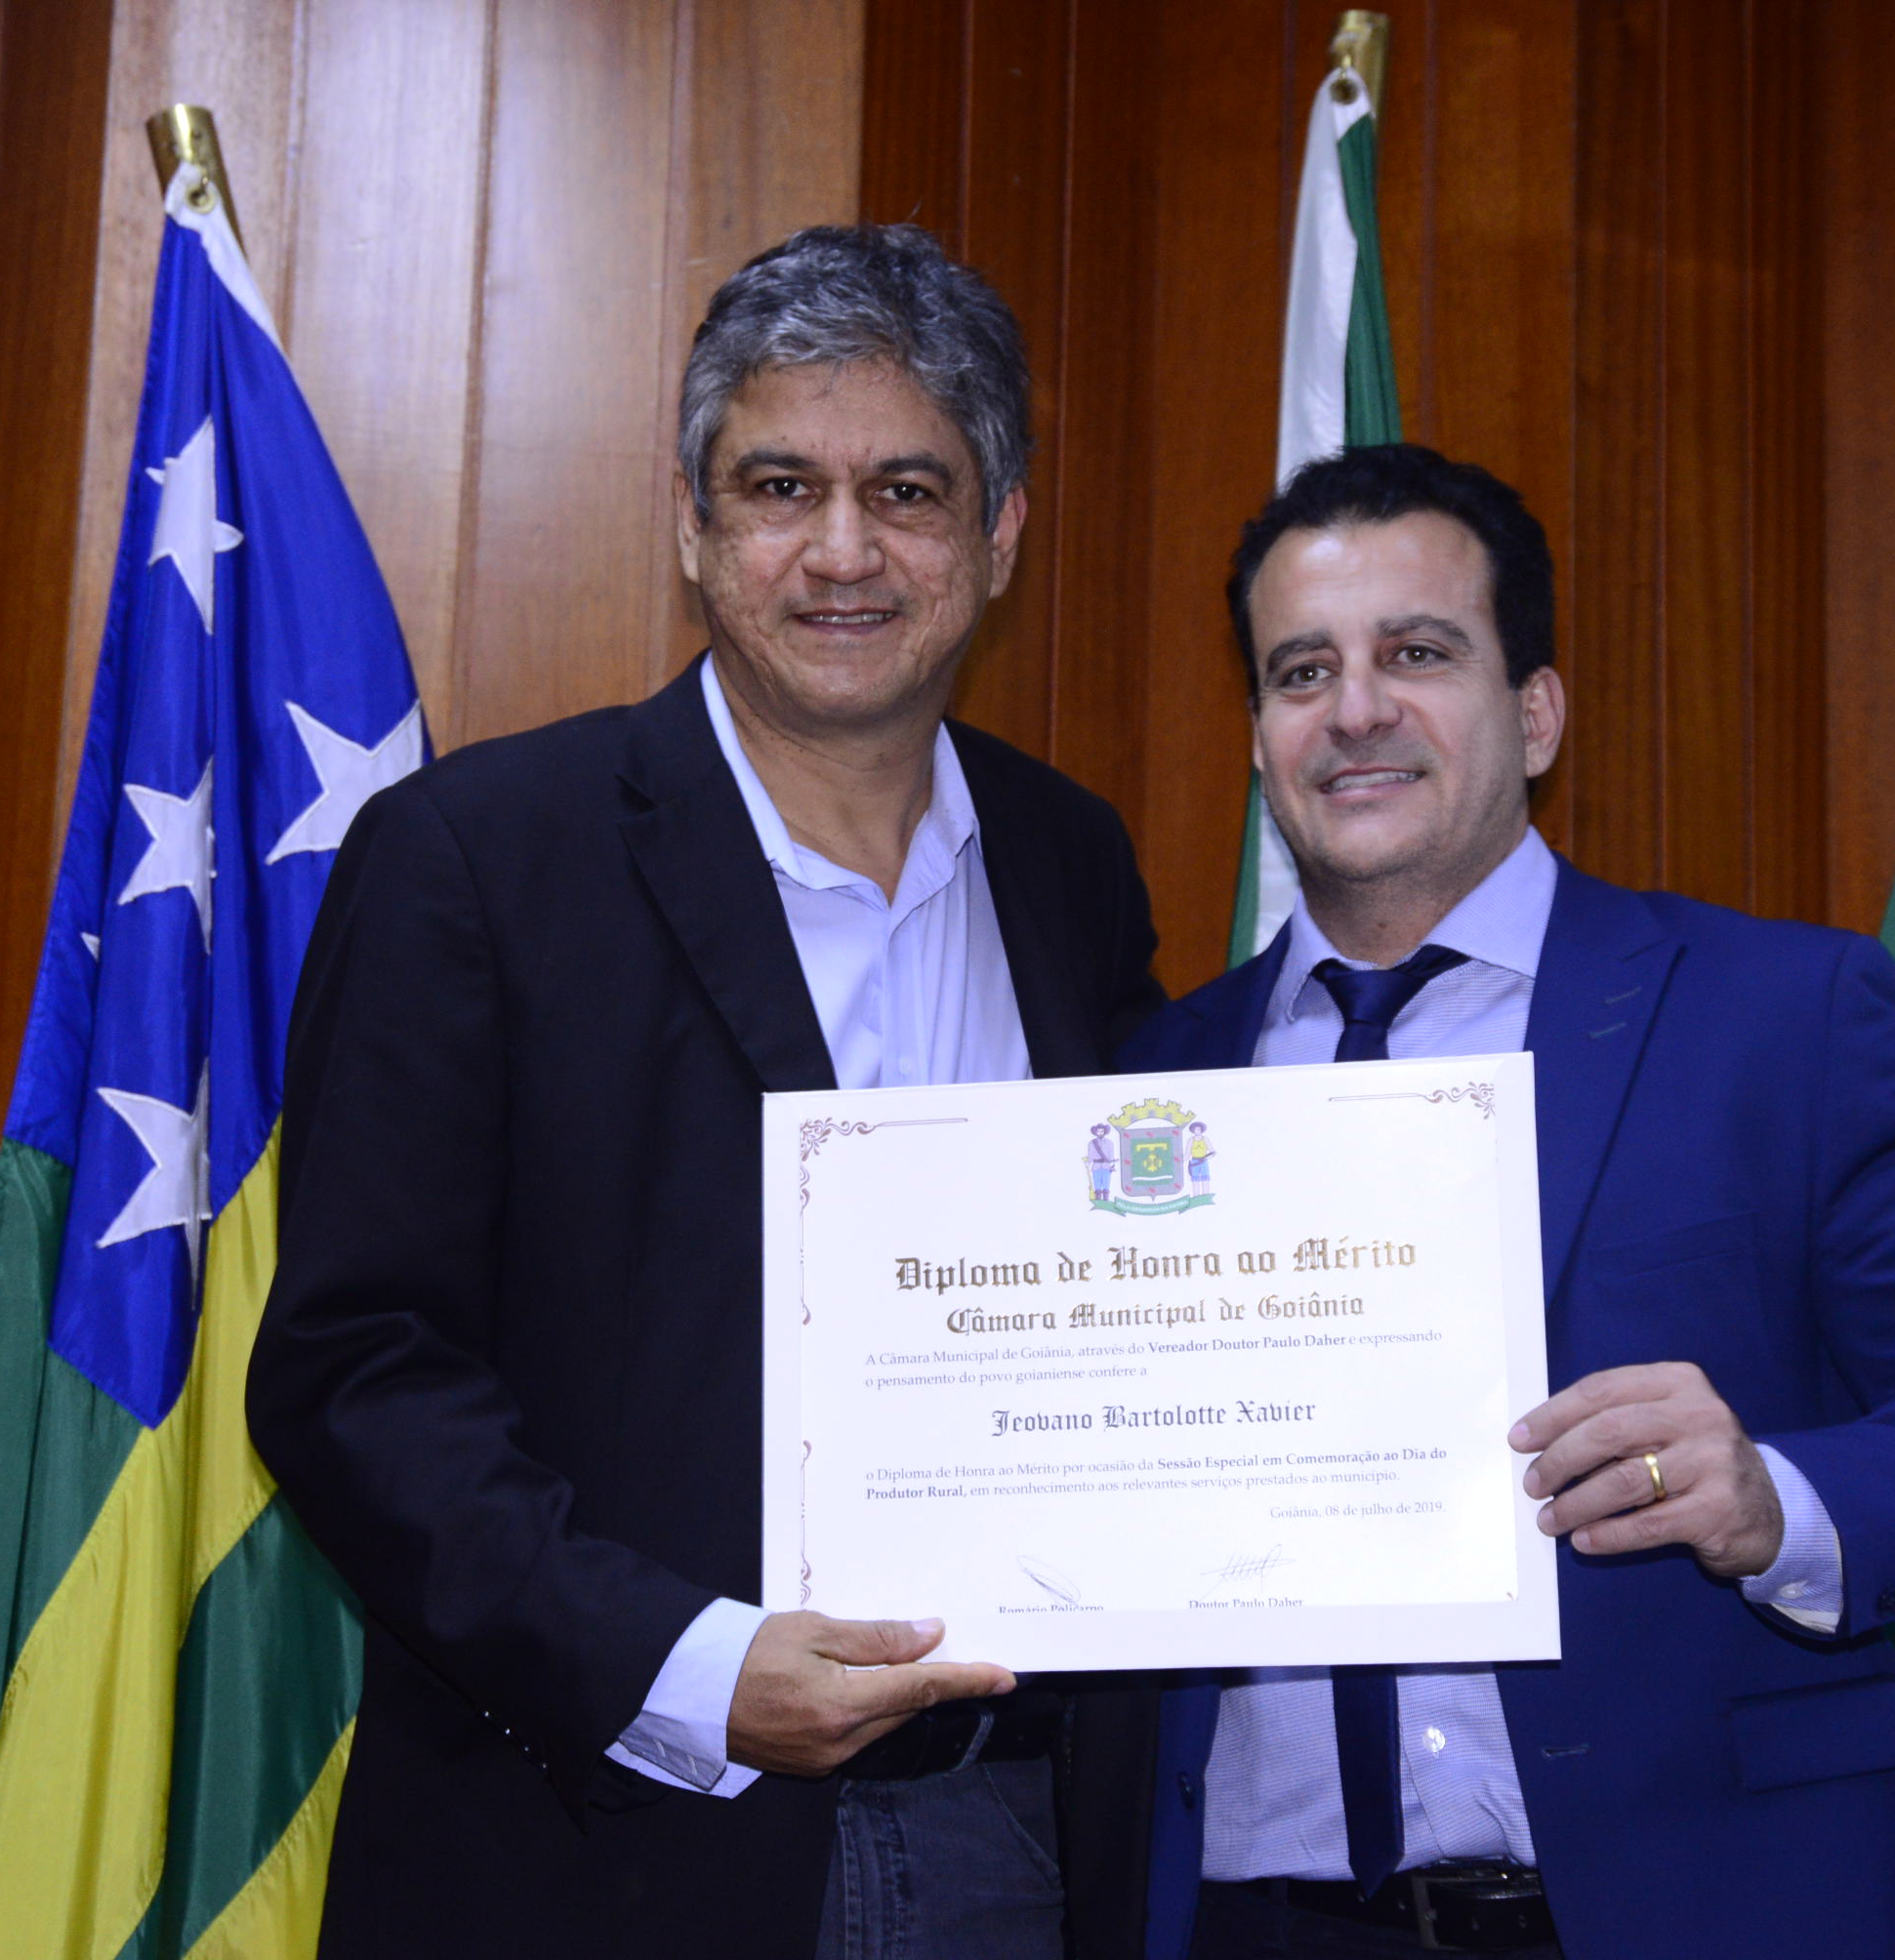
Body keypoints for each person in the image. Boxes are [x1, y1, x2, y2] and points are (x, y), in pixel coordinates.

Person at [1062, 445, 1895, 1959]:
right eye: (1304, 671)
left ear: (1537, 712)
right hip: (1255, 1927)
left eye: (1417, 654)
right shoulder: (1146, 1089)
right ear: (1260, 738)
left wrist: (1776, 1498)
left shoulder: (1781, 1015)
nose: (1354, 709)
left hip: (1713, 1911)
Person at [245, 225, 1163, 1959]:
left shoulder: (1069, 865)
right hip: (606, 1855)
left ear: (1000, 537)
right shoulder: (476, 857)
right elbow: (356, 1374)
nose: (842, 550)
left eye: (907, 491)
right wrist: (685, 1670)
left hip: (1018, 1835)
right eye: (778, 488)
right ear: (692, 523)